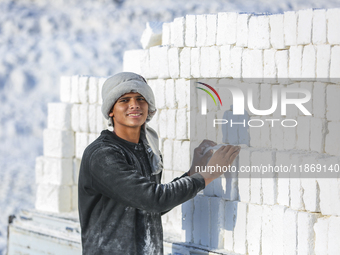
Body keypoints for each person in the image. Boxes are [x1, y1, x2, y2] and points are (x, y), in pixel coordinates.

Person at [78, 72, 240, 255]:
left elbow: (148, 208)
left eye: (141, 98)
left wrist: (193, 173)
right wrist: (207, 175)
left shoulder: (147, 151)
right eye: (124, 100)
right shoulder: (103, 155)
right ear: (110, 110)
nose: (134, 105)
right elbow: (154, 200)